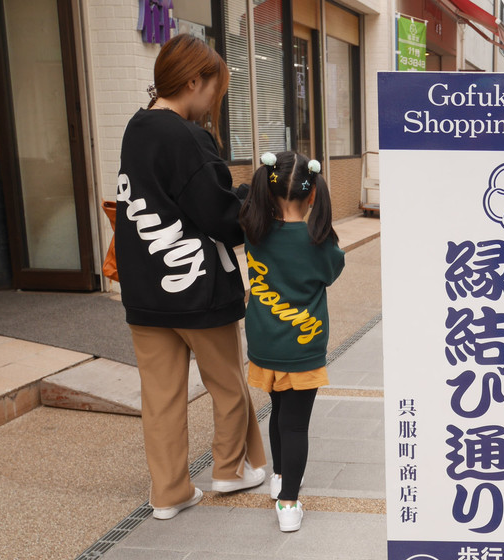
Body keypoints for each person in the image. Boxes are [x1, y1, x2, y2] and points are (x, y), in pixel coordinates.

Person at [116, 33, 267, 520]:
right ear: (193, 80)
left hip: (146, 292)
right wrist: (249, 195)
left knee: (160, 399)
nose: (211, 103)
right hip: (199, 290)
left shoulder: (135, 129)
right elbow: (222, 217)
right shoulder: (189, 137)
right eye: (212, 91)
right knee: (227, 385)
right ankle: (228, 469)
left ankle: (170, 493)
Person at [240, 151, 345, 532]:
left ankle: (280, 477)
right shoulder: (318, 243)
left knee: (279, 412)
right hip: (303, 346)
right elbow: (333, 271)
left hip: (265, 342)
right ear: (313, 194)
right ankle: (288, 505)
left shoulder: (255, 233)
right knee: (296, 425)